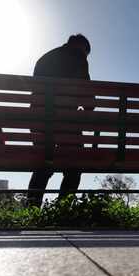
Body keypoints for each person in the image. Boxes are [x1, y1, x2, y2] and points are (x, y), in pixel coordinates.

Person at [27, 34, 91, 205]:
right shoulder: (79, 58)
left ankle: (31, 209)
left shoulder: (45, 58)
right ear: (83, 48)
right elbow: (89, 100)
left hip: (38, 120)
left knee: (43, 162)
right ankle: (63, 209)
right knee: (74, 165)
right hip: (65, 121)